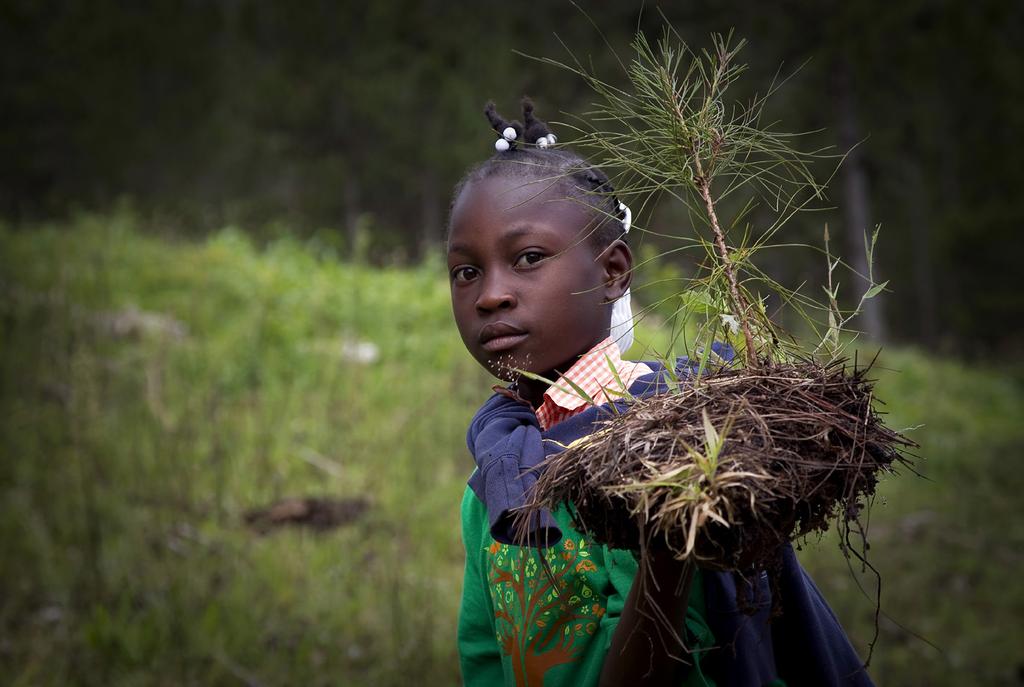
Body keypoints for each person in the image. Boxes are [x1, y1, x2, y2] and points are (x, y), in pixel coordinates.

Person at [448, 98, 873, 687]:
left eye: (529, 258)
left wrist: (668, 547)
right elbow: (484, 655)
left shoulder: (664, 441)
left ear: (613, 271)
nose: (490, 294)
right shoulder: (494, 472)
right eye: (466, 271)